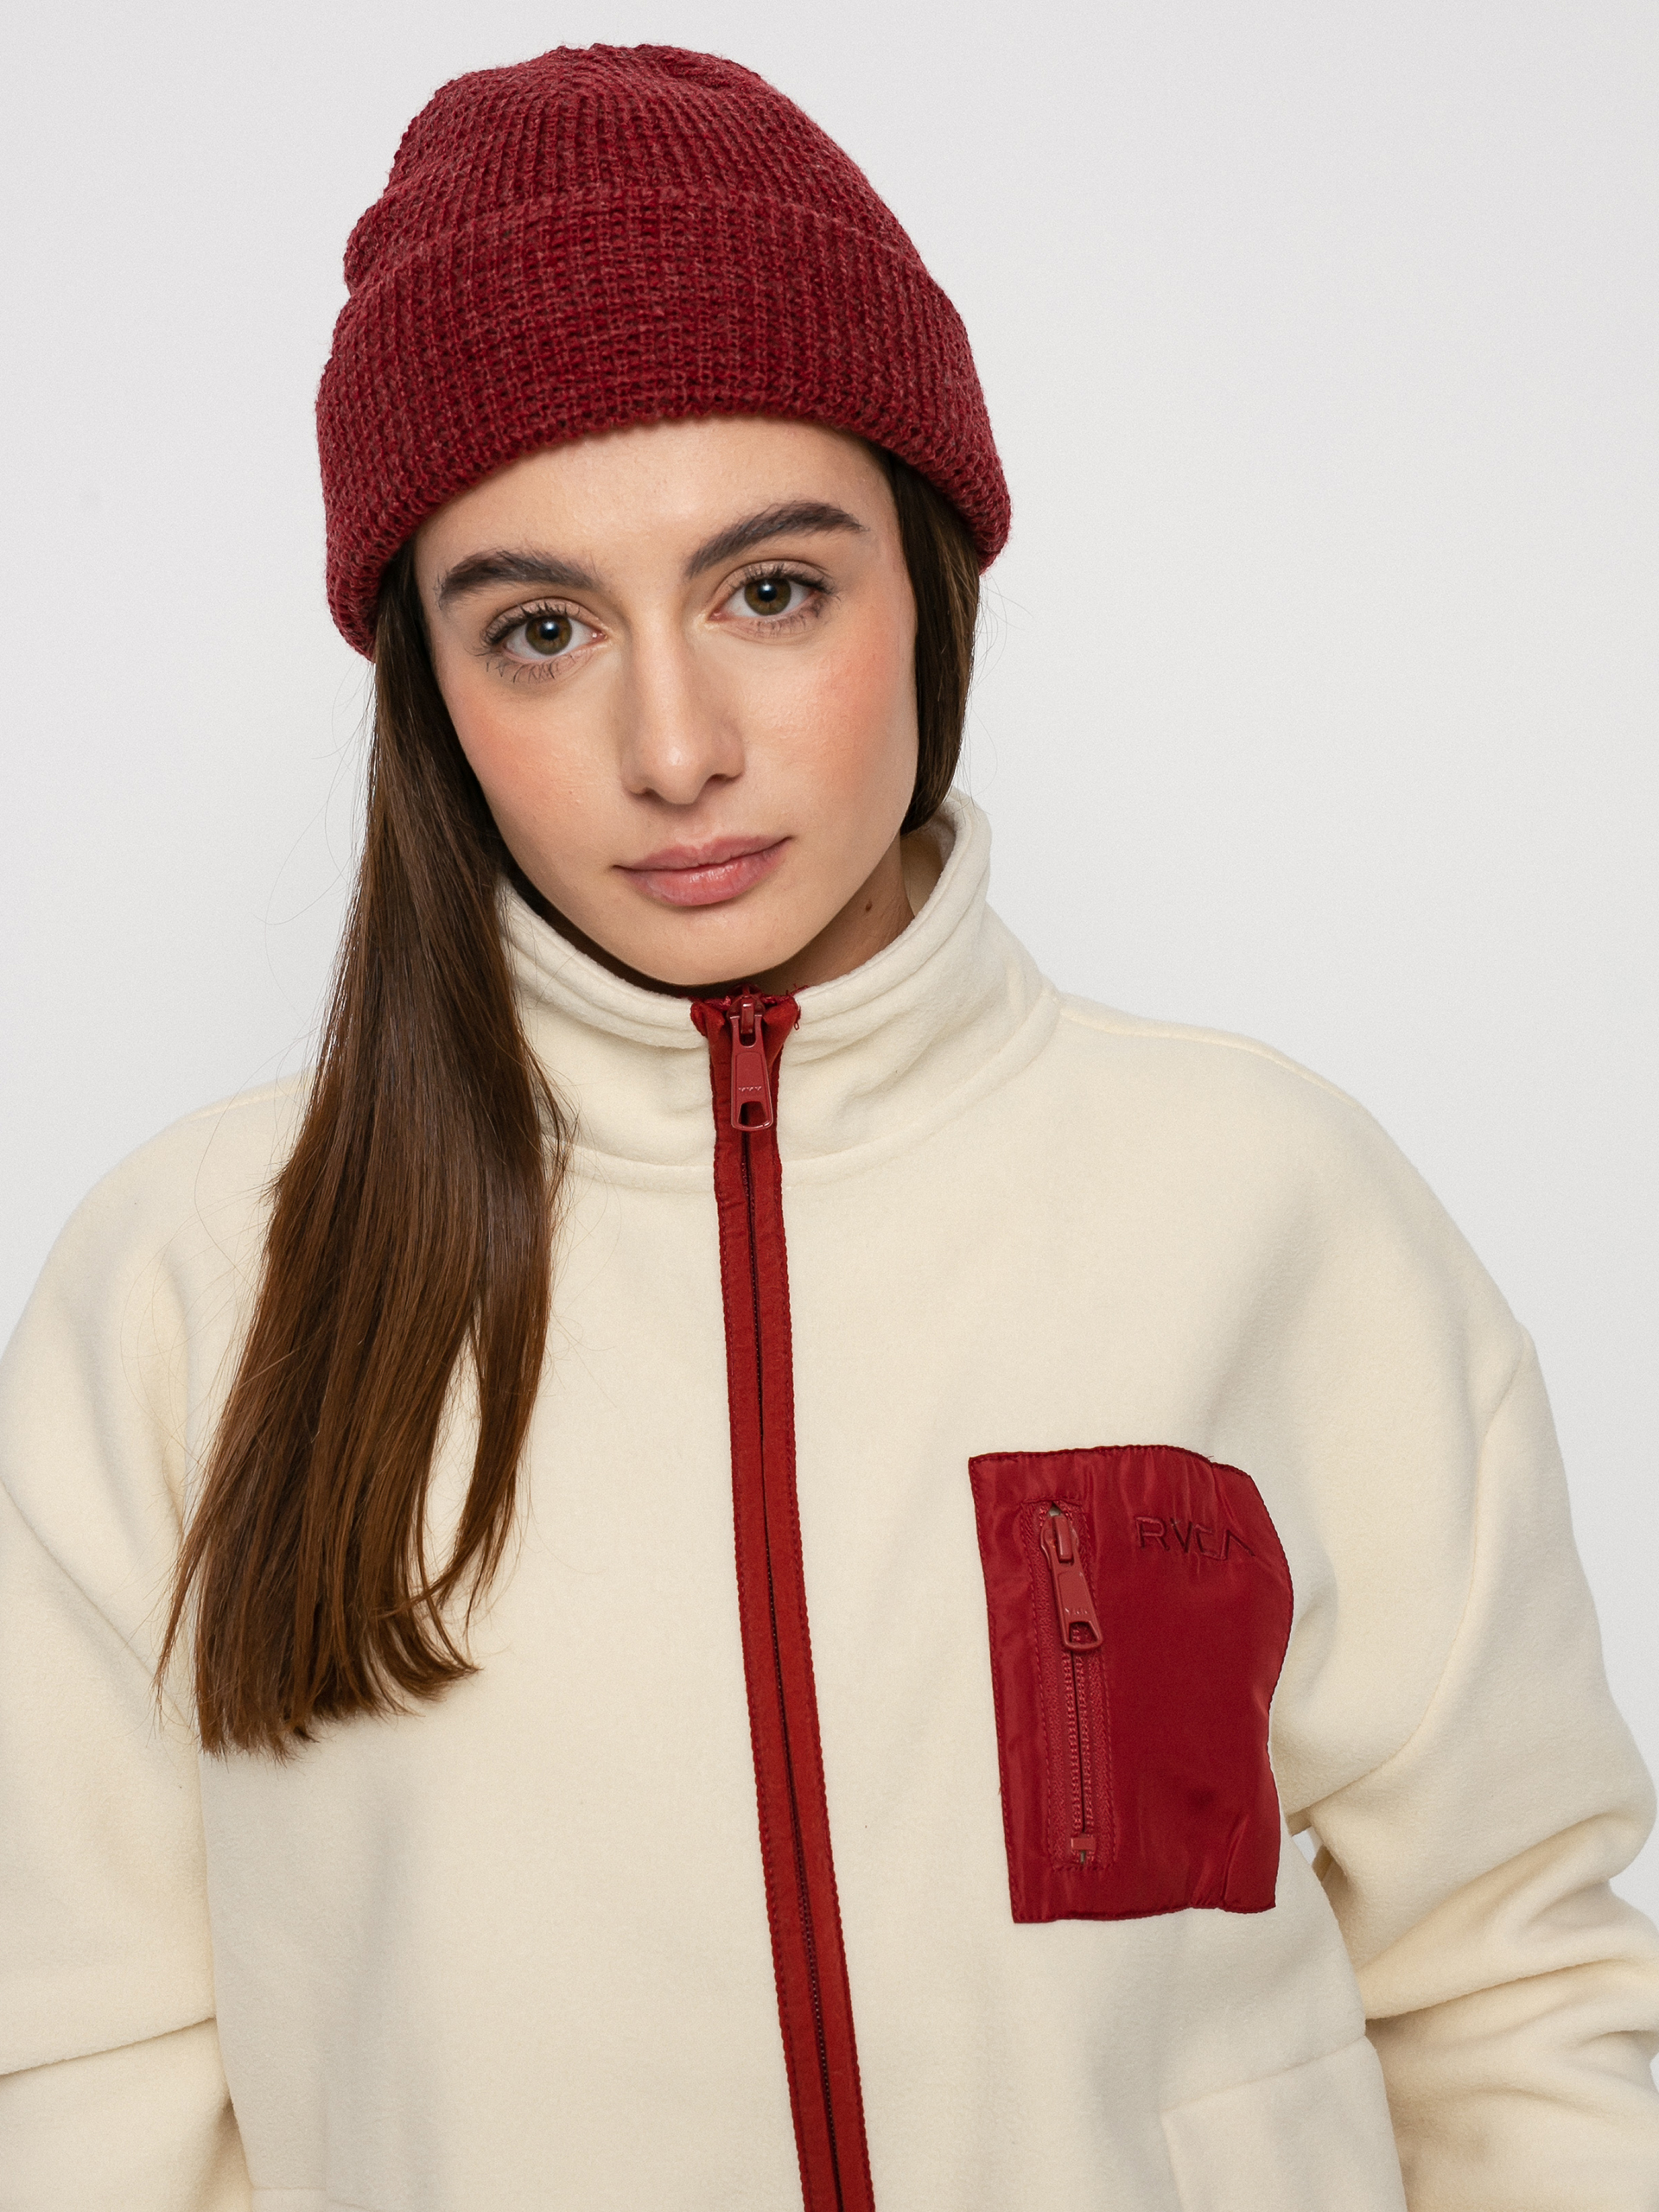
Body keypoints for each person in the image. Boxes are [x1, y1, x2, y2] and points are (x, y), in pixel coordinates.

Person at [0, 40, 1655, 2212]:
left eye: (771, 587)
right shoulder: (194, 1287)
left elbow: (1514, 1994)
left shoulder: (1272, 1204)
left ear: (929, 580)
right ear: (432, 693)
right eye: (539, 629)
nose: (675, 742)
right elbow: (80, 2084)